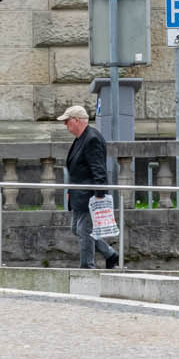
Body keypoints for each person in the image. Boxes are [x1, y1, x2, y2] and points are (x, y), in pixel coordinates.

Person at [61, 104, 119, 269]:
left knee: (84, 231)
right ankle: (110, 254)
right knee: (76, 229)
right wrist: (70, 191)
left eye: (67, 121)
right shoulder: (82, 138)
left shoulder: (92, 139)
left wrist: (99, 195)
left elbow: (99, 170)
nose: (65, 125)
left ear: (77, 120)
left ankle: (87, 268)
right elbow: (77, 169)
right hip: (78, 194)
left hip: (88, 195)